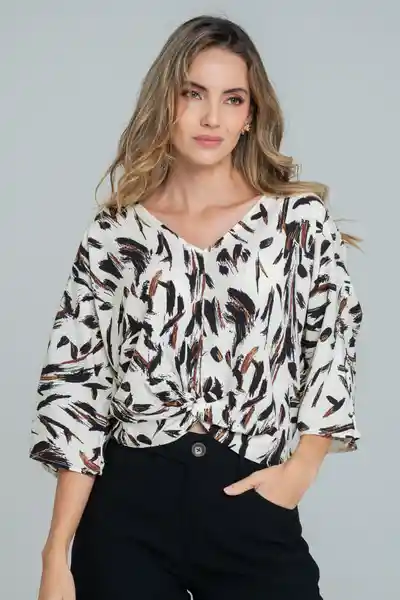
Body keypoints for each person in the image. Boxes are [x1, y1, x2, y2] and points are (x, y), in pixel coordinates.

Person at [29, 14, 363, 600]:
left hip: (249, 504)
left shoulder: (295, 223)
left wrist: (300, 471)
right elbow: (78, 386)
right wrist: (56, 554)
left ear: (250, 114)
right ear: (167, 102)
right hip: (128, 516)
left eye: (233, 99)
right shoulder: (115, 233)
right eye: (193, 94)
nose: (212, 117)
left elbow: (332, 346)